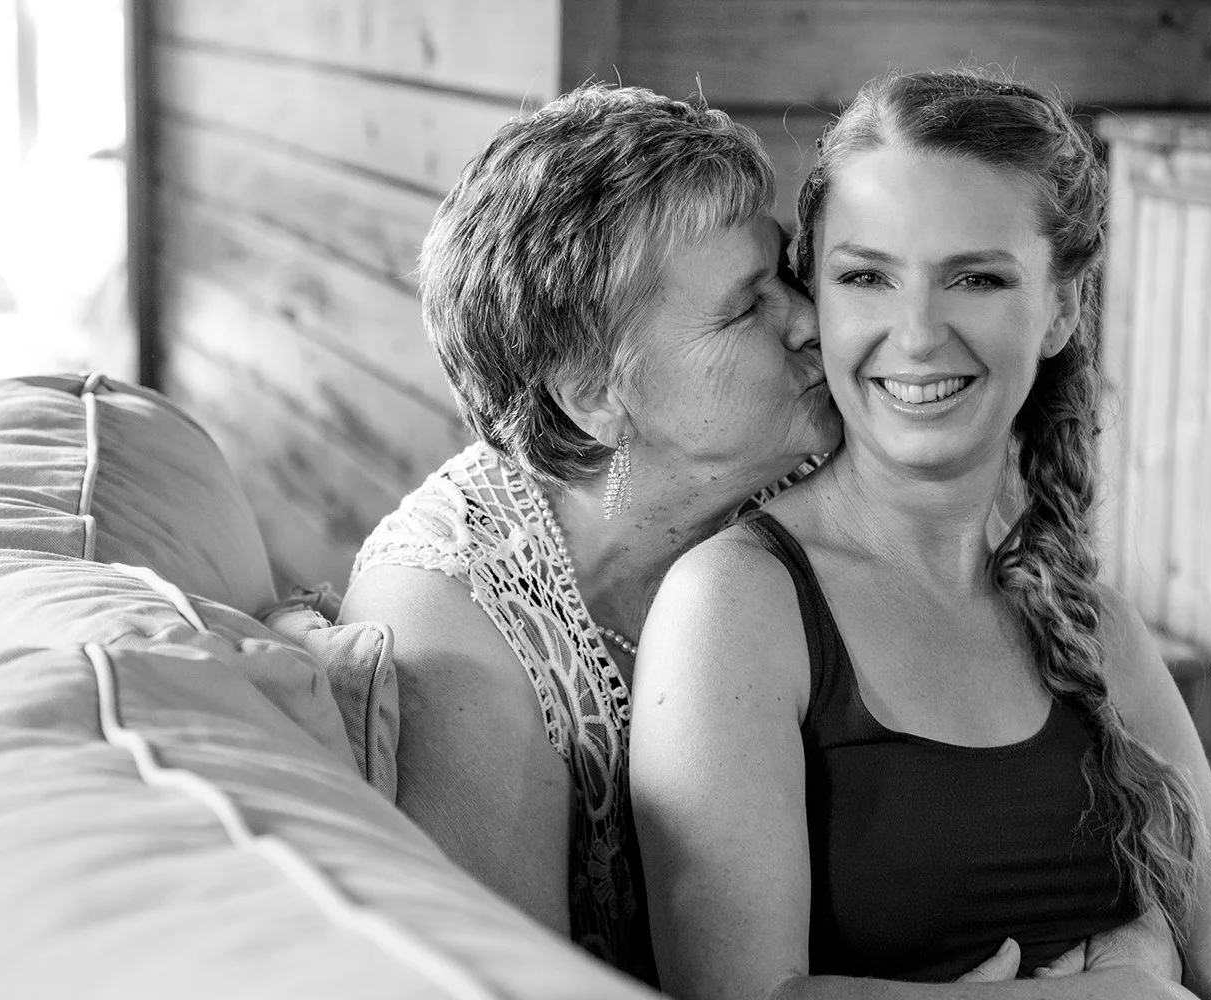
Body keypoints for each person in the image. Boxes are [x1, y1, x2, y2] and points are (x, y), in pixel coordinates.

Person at [628, 70, 1211, 999]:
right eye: (866, 277)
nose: (917, 334)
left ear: (1061, 308)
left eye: (975, 278)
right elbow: (735, 997)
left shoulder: (1091, 626)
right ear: (815, 297)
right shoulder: (738, 604)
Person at [338, 83, 841, 983]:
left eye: (787, 276)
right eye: (744, 307)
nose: (809, 321)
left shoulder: (797, 466)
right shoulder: (449, 633)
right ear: (594, 395)